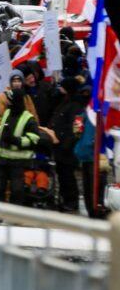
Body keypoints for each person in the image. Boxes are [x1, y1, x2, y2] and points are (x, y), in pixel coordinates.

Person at [0, 86, 42, 205]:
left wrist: (16, 141)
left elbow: (34, 139)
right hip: (2, 159)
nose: (8, 102)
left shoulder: (28, 118)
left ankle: (15, 217)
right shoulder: (7, 112)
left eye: (10, 100)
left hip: (18, 162)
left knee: (17, 190)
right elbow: (1, 130)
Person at [50, 82, 90, 213]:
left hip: (67, 148)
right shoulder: (64, 102)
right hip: (60, 146)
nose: (59, 89)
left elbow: (75, 128)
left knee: (68, 176)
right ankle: (65, 199)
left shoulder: (75, 106)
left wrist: (66, 144)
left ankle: (71, 202)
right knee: (62, 175)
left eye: (62, 87)